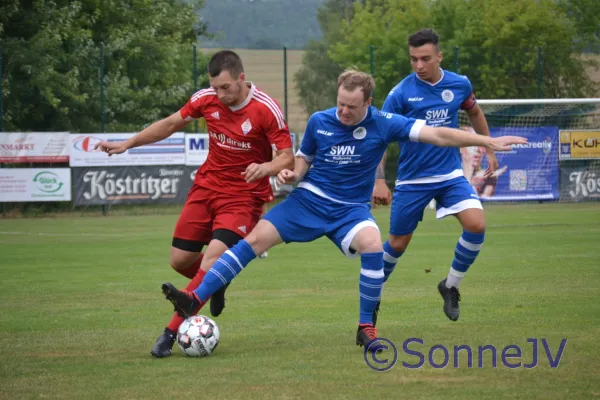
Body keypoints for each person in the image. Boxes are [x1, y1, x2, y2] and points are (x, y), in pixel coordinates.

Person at [158, 69, 526, 351]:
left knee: (372, 243)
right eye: (340, 103)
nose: (344, 111)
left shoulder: (384, 123)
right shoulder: (321, 121)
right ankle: (194, 298)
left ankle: (366, 329)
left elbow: (441, 134)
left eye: (351, 106)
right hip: (309, 201)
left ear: (368, 102)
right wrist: (290, 173)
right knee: (253, 239)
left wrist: (487, 140)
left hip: (350, 210)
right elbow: (302, 164)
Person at [94, 50, 294, 358]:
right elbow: (171, 123)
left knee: (210, 259)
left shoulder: (265, 109)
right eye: (215, 87)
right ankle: (216, 281)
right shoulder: (207, 99)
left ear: (241, 79)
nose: (220, 94)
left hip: (242, 198)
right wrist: (128, 143)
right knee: (179, 261)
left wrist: (266, 168)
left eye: (225, 87)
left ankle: (168, 333)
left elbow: (286, 156)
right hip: (206, 188)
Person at [372, 28, 498, 322]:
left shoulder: (459, 84)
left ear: (439, 56)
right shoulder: (400, 93)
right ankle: (373, 292)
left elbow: (475, 113)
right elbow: (380, 138)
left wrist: (489, 148)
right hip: (413, 180)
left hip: (450, 175)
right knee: (398, 244)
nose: (418, 65)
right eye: (413, 59)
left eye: (425, 58)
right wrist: (379, 179)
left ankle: (450, 286)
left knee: (476, 225)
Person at [460, 128, 507, 198]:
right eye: (472, 145)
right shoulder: (454, 169)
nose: (478, 150)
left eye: (479, 145)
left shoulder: (485, 173)